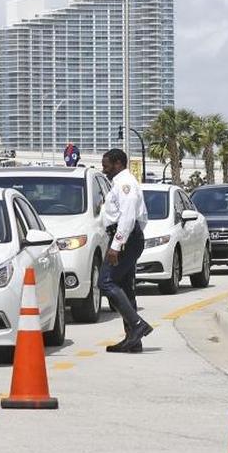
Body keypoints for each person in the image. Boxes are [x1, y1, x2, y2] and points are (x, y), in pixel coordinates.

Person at [99, 148, 153, 353]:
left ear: (118, 164)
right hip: (127, 238)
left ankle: (138, 326)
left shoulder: (126, 184)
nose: (104, 170)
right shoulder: (120, 183)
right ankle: (133, 340)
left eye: (107, 166)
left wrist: (117, 245)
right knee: (125, 287)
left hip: (124, 239)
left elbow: (129, 217)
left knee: (105, 282)